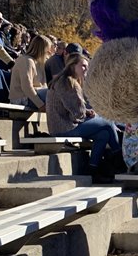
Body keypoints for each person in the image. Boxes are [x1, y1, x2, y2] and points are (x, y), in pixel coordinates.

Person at [45, 54, 121, 182]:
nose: (86, 69)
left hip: (65, 123)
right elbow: (77, 113)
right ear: (73, 66)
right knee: (108, 123)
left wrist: (87, 111)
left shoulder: (66, 81)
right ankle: (120, 161)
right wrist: (87, 113)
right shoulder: (67, 83)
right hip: (64, 126)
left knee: (103, 134)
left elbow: (73, 109)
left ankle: (93, 169)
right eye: (83, 66)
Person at [10, 33, 51, 109]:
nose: (49, 53)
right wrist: (41, 105)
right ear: (41, 50)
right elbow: (27, 87)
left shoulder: (40, 63)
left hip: (35, 95)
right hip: (23, 98)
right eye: (48, 50)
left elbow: (43, 86)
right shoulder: (26, 61)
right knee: (55, 93)